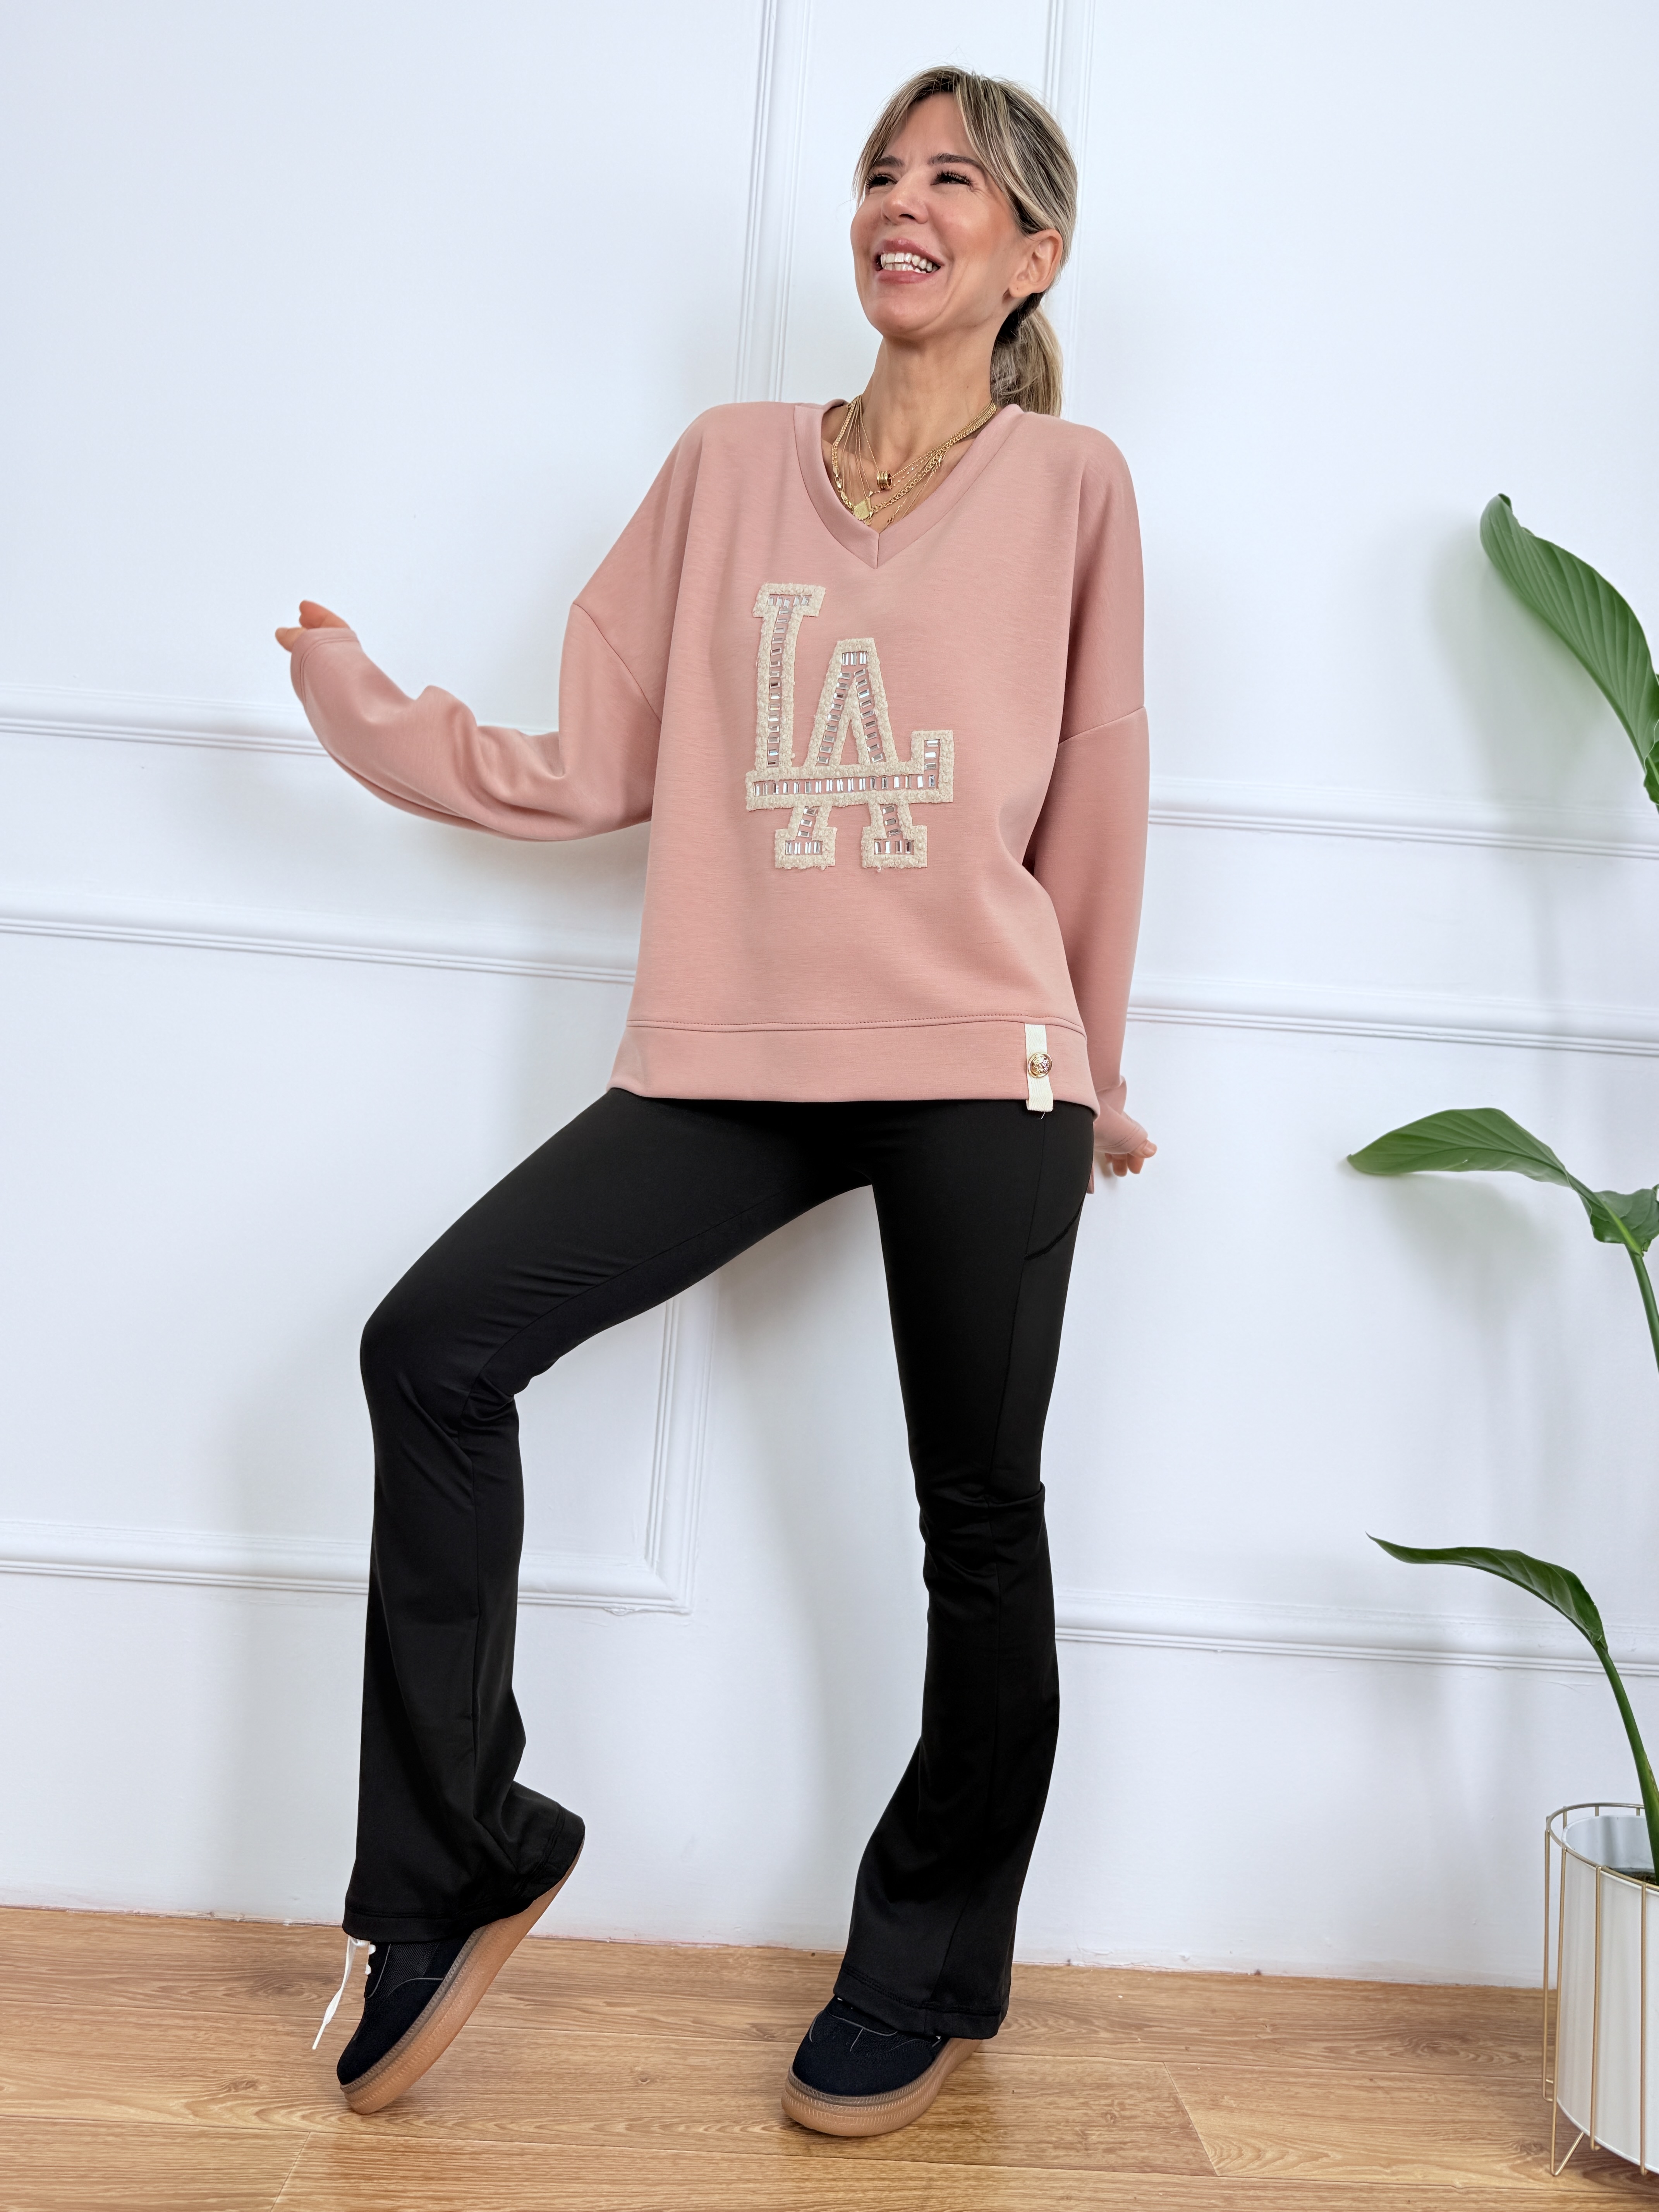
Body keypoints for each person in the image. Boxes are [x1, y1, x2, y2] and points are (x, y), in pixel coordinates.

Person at [280, 62, 1153, 2139]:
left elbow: (1102, 788)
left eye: (956, 180)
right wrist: (377, 724)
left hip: (982, 1066)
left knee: (979, 1520)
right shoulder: (729, 463)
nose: (902, 203)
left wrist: (1093, 1069)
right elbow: (601, 760)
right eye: (880, 173)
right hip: (735, 1058)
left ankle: (926, 1967)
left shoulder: (1074, 485)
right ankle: (460, 1860)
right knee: (434, 1348)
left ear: (1033, 256)